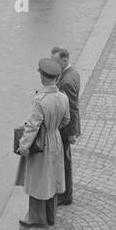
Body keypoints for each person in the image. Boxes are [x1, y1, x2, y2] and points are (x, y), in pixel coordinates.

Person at [15, 57, 70, 228]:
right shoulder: (63, 97)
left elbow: (32, 126)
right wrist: (54, 129)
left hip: (42, 143)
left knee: (39, 180)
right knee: (52, 177)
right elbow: (66, 120)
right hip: (56, 139)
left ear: (42, 77)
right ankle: (50, 215)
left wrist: (23, 146)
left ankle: (36, 218)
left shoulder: (40, 100)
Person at [50, 47, 80, 207]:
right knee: (64, 159)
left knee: (64, 161)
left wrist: (71, 133)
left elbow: (72, 108)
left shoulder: (67, 81)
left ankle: (65, 194)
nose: (53, 65)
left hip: (64, 129)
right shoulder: (72, 73)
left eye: (55, 62)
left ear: (64, 60)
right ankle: (64, 192)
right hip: (65, 128)